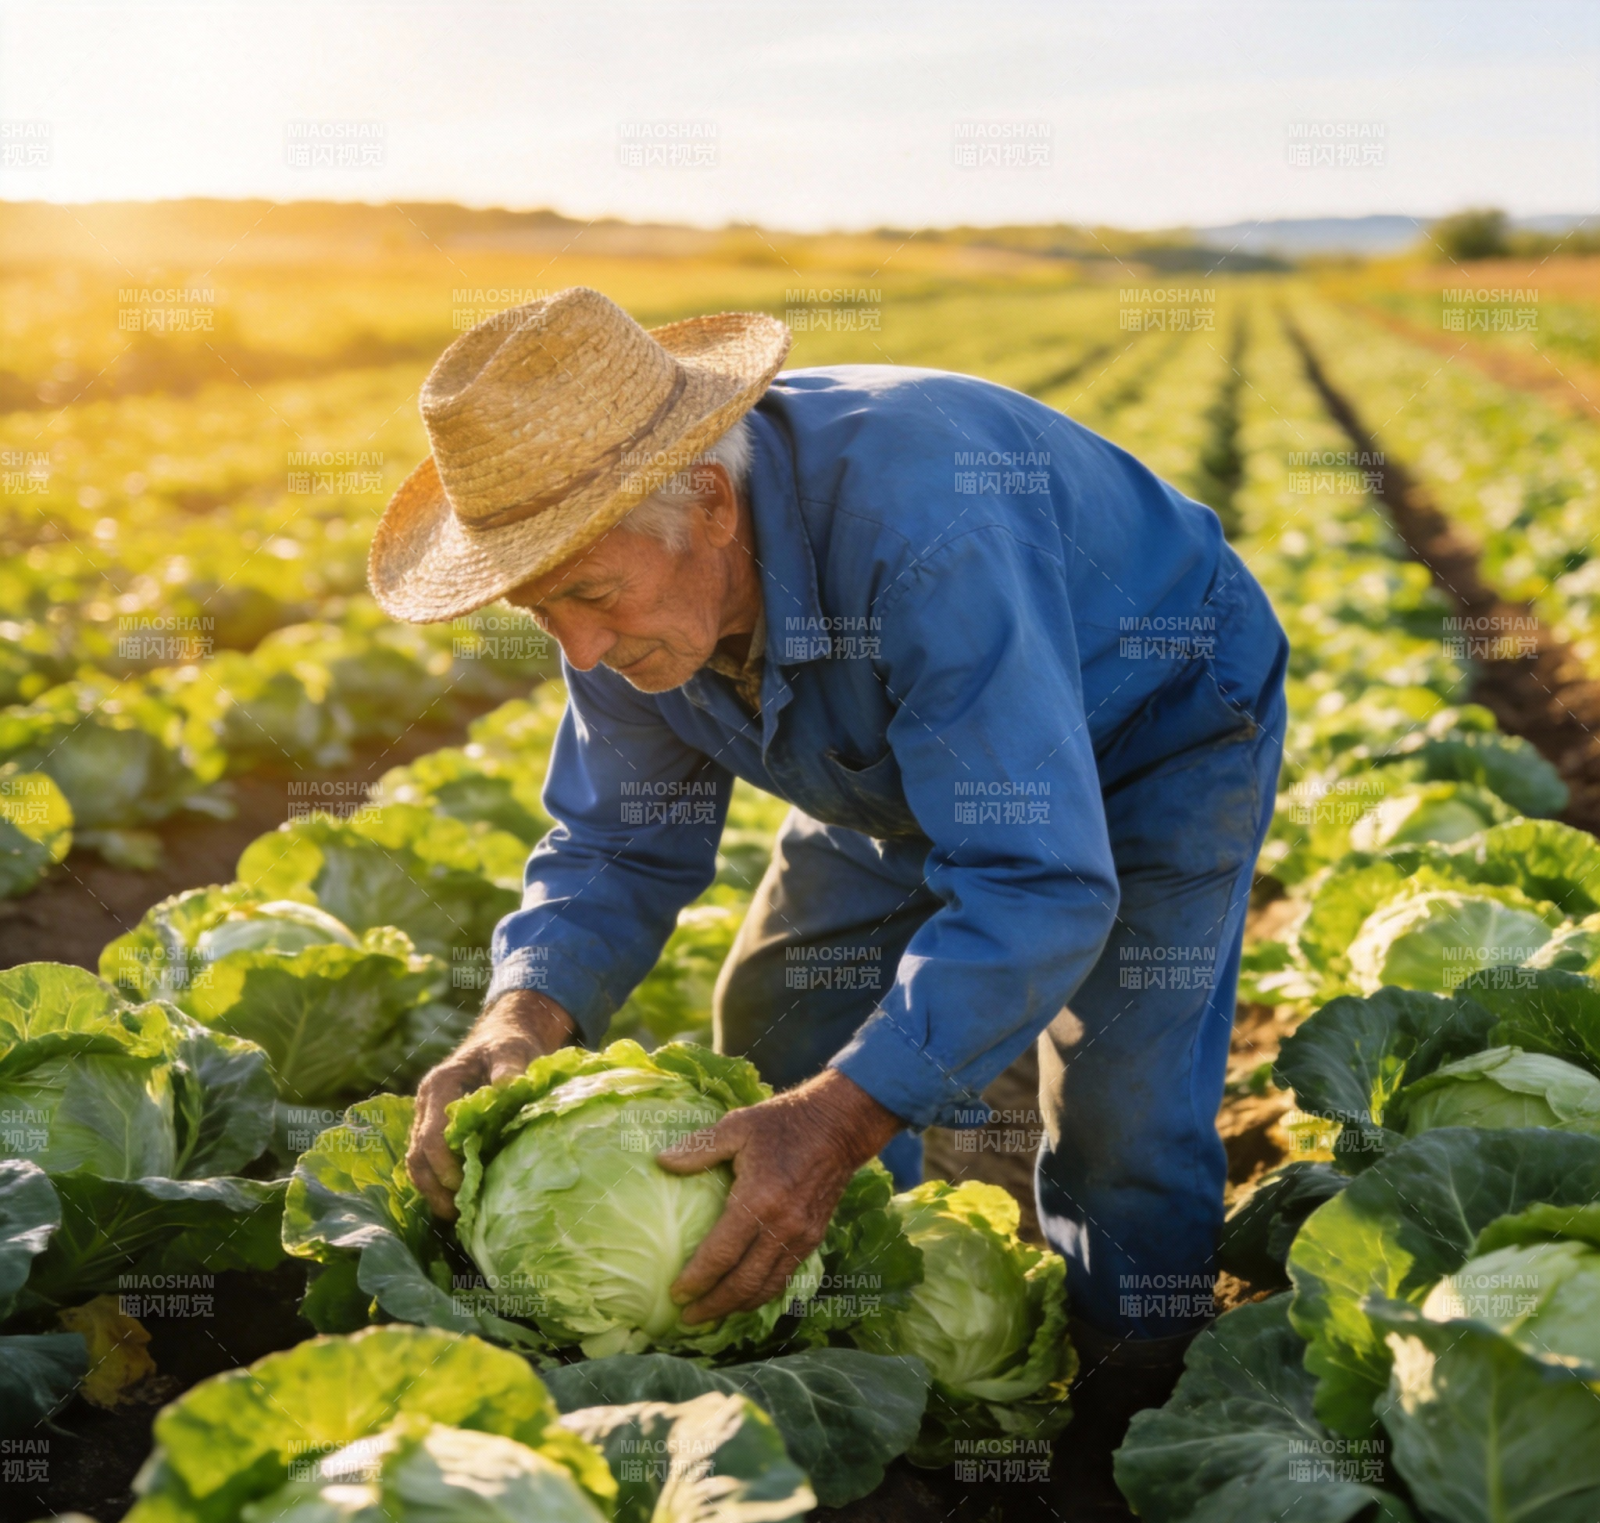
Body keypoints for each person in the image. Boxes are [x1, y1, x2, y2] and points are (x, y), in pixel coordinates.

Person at [370, 285, 1287, 1401]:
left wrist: (841, 1119)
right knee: (780, 1010)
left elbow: (1037, 878)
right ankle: (856, 1315)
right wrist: (519, 1014)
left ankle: (1133, 1387)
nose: (582, 650)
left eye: (591, 595)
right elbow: (617, 839)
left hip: (1154, 720)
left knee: (1119, 1107)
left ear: (710, 504)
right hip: (892, 743)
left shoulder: (925, 532)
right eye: (537, 609)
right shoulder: (616, 607)